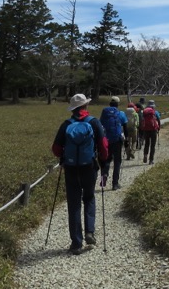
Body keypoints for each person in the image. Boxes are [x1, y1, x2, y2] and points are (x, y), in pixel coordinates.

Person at [51, 93, 108, 254]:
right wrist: (103, 161)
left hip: (70, 168)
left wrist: (65, 155)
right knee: (89, 197)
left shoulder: (66, 124)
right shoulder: (94, 122)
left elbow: (55, 149)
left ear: (73, 108)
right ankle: (90, 232)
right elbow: (103, 146)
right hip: (89, 167)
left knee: (74, 203)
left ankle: (76, 242)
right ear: (85, 106)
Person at [99, 96, 128, 190]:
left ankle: (104, 175)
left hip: (106, 140)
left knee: (107, 159)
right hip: (117, 140)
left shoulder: (104, 113)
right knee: (117, 161)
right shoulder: (121, 114)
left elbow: (100, 125)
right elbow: (125, 127)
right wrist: (126, 140)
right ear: (117, 104)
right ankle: (115, 184)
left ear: (110, 104)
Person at [140, 99, 161, 165]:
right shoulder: (155, 112)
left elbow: (142, 120)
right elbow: (158, 120)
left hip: (146, 129)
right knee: (152, 145)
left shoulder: (144, 112)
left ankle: (145, 155)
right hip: (153, 130)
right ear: (153, 105)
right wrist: (158, 128)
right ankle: (151, 160)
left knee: (147, 143)